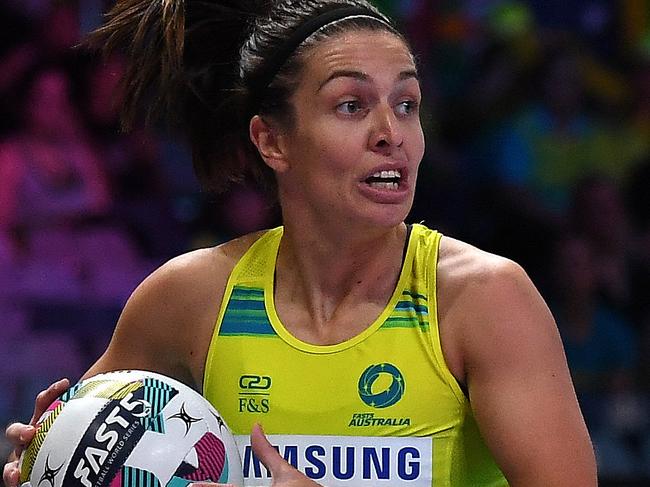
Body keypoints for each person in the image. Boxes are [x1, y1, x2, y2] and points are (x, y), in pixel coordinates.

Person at [4, 0, 597, 485]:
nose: (392, 134)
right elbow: (81, 451)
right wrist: (46, 459)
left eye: (407, 104)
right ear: (272, 141)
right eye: (351, 105)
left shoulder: (484, 299)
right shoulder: (188, 297)